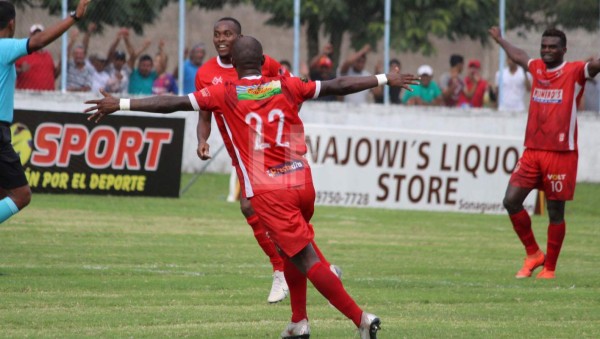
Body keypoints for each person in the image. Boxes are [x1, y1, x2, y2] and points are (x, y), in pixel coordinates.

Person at [84, 35, 419, 339]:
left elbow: (170, 102)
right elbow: (338, 84)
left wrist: (122, 104)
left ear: (233, 64)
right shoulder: (286, 84)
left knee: (306, 257)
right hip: (300, 178)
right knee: (291, 250)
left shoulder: (223, 92)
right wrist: (384, 78)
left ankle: (362, 319)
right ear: (263, 61)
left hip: (269, 188)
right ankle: (298, 322)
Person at [194, 17, 329, 304]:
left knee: (255, 206)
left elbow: (293, 88)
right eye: (216, 34)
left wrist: (291, 139)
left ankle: (283, 269)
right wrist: (202, 140)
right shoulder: (206, 73)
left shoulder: (260, 61)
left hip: (268, 151)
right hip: (240, 152)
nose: (221, 39)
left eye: (228, 34)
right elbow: (203, 115)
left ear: (240, 38)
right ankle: (313, 269)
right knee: (261, 210)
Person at [489, 26, 600, 279]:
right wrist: (500, 40)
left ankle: (549, 268)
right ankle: (533, 254)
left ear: (564, 50)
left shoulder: (574, 71)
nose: (547, 51)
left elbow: (595, 66)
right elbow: (518, 55)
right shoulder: (537, 68)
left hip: (561, 153)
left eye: (552, 47)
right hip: (532, 151)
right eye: (544, 46)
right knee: (511, 200)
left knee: (554, 212)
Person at [0, 0, 92, 224]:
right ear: (12, 23)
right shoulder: (4, 46)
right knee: (21, 195)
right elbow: (39, 41)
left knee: (4, 193)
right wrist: (74, 17)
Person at [15, 24, 59, 91]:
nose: (37, 38)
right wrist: (20, 70)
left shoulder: (48, 55)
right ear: (30, 36)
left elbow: (53, 75)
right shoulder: (23, 53)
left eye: (40, 36)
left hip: (48, 95)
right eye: (35, 35)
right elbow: (10, 70)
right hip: (27, 95)